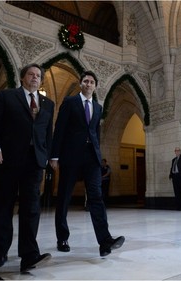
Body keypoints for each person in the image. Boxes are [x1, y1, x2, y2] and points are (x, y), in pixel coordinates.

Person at [0, 63, 54, 272]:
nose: (35, 77)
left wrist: (48, 156)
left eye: (38, 75)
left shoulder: (47, 103)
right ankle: (0, 251)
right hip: (7, 159)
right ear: (23, 77)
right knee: (1, 206)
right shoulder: (6, 96)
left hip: (34, 162)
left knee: (31, 208)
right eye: (31, 74)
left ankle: (29, 255)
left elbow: (47, 133)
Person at [49, 70, 125, 257]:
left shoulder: (98, 107)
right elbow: (59, 129)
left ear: (95, 86)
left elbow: (95, 133)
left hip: (91, 158)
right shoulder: (70, 102)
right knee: (65, 197)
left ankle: (104, 241)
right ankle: (62, 238)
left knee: (96, 197)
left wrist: (99, 155)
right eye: (85, 81)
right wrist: (54, 156)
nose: (88, 84)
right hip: (71, 156)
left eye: (91, 81)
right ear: (81, 84)